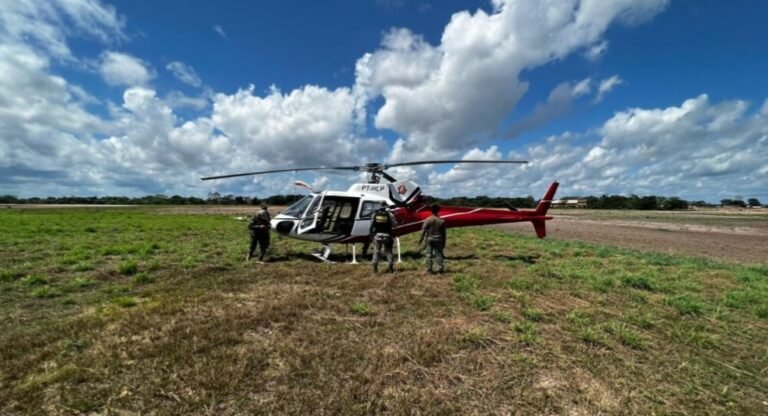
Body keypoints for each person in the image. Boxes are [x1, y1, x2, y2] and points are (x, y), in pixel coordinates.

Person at [418, 204, 446, 274]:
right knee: (439, 254)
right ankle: (440, 269)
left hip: (429, 239)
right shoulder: (441, 221)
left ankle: (429, 270)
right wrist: (444, 242)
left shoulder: (427, 220)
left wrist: (420, 240)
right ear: (438, 211)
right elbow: (444, 234)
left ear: (431, 211)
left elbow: (423, 230)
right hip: (438, 239)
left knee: (428, 255)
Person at [369, 204, 396, 273]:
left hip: (377, 236)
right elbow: (394, 225)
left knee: (377, 251)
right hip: (387, 236)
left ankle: (375, 267)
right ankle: (391, 268)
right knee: (389, 251)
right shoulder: (389, 214)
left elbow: (371, 226)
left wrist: (371, 235)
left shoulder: (374, 214)